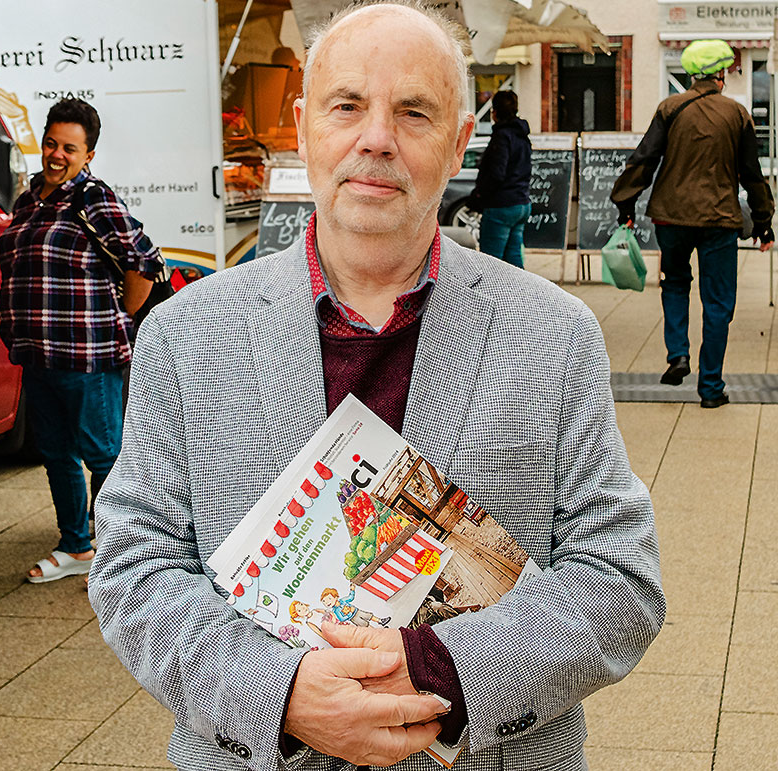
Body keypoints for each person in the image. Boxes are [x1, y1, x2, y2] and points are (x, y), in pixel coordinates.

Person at [89, 3, 665, 770]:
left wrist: (439, 671)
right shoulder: (186, 335)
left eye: (414, 112)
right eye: (348, 105)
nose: (376, 139)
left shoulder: (553, 334)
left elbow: (619, 576)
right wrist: (280, 692)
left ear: (460, 141)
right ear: (304, 127)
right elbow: (134, 566)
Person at [0, 98, 166, 583]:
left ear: (87, 154)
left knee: (102, 452)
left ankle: (122, 552)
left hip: (87, 355)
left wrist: (123, 317)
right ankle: (75, 545)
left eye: (69, 148)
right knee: (55, 452)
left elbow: (143, 260)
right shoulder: (30, 200)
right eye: (51, 143)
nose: (56, 154)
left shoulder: (93, 198)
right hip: (38, 353)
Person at [611, 39, 774, 409]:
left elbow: (644, 159)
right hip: (719, 219)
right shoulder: (737, 114)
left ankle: (678, 354)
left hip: (670, 216)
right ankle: (711, 388)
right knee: (718, 303)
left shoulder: (670, 107)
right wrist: (763, 221)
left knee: (674, 283)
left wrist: (625, 203)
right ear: (720, 74)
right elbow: (752, 174)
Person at [468, 89, 532, 268]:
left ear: (495, 112)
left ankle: (492, 295)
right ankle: (520, 294)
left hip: (501, 205)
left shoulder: (502, 137)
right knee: (513, 259)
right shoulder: (522, 136)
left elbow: (497, 173)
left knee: (490, 263)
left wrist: (480, 195)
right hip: (521, 202)